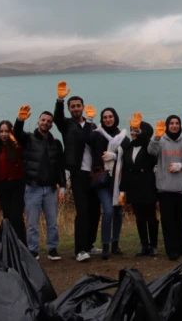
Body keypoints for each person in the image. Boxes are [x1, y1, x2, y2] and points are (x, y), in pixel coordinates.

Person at [52, 81, 99, 262]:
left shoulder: (91, 124)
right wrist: (60, 100)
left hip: (93, 174)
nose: (76, 108)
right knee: (83, 211)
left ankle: (89, 244)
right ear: (70, 109)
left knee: (95, 210)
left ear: (83, 107)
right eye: (73, 106)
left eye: (78, 105)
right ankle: (80, 250)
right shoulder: (66, 125)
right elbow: (57, 118)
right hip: (78, 174)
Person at [14, 105, 66, 260]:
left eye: (49, 121)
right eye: (43, 120)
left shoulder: (56, 143)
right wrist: (19, 120)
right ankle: (33, 250)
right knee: (32, 223)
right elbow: (16, 134)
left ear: (51, 125)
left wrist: (62, 185)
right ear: (38, 122)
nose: (45, 123)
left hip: (50, 189)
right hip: (33, 188)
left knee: (52, 222)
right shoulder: (28, 139)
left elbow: (60, 166)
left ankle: (52, 249)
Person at [148, 115, 182, 260]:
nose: (174, 126)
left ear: (180, 125)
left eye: (177, 123)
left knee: (180, 218)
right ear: (167, 125)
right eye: (171, 123)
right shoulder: (160, 140)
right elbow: (151, 152)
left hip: (181, 186)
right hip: (165, 187)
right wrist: (155, 137)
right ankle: (171, 249)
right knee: (168, 220)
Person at [89, 107, 129, 259]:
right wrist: (89, 121)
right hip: (103, 181)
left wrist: (116, 154)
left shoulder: (123, 136)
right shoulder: (96, 134)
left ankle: (116, 244)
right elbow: (86, 139)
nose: (107, 119)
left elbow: (127, 152)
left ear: (115, 117)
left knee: (118, 212)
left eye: (110, 116)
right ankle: (105, 245)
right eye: (104, 117)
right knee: (108, 212)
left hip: (118, 180)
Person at [120, 116, 159, 257]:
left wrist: (140, 133)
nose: (133, 132)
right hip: (133, 185)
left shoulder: (149, 147)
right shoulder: (129, 147)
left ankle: (154, 245)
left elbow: (146, 141)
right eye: (131, 130)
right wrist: (122, 189)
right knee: (139, 217)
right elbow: (125, 169)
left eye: (136, 130)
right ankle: (144, 245)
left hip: (147, 185)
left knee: (150, 216)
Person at [0, 120, 27, 245]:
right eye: (1, 131)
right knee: (7, 217)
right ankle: (10, 245)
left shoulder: (17, 146)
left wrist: (14, 139)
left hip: (17, 184)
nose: (4, 134)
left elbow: (22, 154)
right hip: (3, 185)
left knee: (17, 216)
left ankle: (22, 245)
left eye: (7, 131)